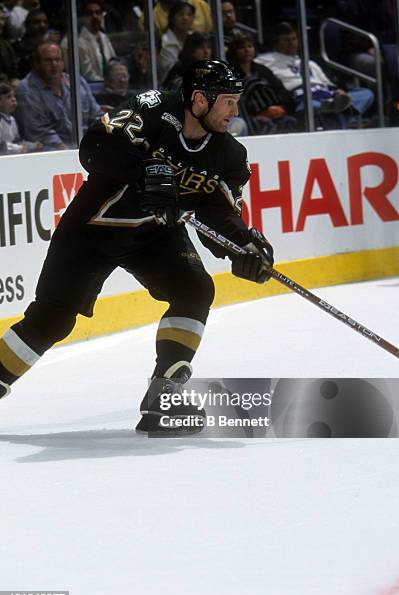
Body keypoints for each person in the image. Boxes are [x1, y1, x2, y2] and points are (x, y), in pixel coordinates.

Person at [0, 59, 275, 436]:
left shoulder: (229, 155)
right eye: (228, 101)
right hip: (93, 229)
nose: (235, 111)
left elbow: (219, 214)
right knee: (52, 320)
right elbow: (94, 147)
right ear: (199, 99)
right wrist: (143, 168)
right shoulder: (152, 109)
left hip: (155, 235)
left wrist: (243, 245)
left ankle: (165, 395)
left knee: (195, 290)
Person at [256, 22, 375, 129]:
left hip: (325, 94)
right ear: (277, 42)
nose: (291, 43)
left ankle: (334, 108)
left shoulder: (310, 62)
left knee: (366, 93)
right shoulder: (265, 60)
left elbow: (328, 84)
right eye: (286, 40)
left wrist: (338, 91)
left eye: (293, 39)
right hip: (301, 96)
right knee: (312, 106)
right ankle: (339, 115)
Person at [15, 41, 101, 149]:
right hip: (50, 152)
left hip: (85, 146)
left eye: (57, 59)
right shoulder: (26, 90)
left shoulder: (77, 82)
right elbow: (38, 132)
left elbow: (96, 115)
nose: (54, 64)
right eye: (47, 60)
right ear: (36, 64)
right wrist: (65, 150)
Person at [226, 32, 297, 135]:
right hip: (250, 117)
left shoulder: (263, 70)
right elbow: (237, 102)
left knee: (290, 121)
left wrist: (281, 108)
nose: (247, 50)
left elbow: (281, 91)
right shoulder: (230, 74)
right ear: (234, 51)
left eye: (250, 46)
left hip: (275, 113)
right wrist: (259, 114)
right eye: (242, 47)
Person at [61, 0, 116, 82]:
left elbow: (113, 62)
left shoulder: (104, 37)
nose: (95, 16)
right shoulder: (74, 41)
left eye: (98, 13)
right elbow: (87, 76)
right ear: (82, 18)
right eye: (90, 13)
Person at [158, 1, 195, 84]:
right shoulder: (164, 42)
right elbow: (169, 73)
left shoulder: (195, 39)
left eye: (189, 15)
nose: (185, 18)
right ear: (172, 18)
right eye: (181, 14)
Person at [0, 80, 41, 152]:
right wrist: (18, 149)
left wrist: (34, 145)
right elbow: (1, 145)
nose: (14, 99)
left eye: (14, 96)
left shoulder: (12, 119)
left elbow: (18, 142)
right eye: (8, 97)